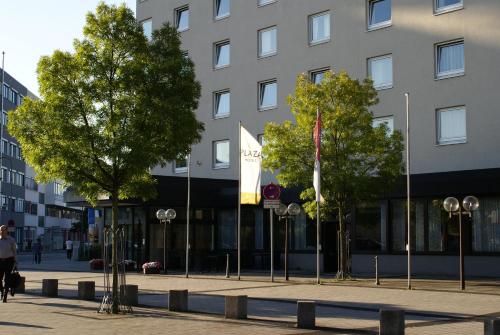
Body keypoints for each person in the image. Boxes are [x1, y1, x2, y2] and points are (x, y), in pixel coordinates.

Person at [0, 225, 16, 302]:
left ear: (7, 231)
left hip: (9, 261)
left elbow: (14, 251)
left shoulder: (11, 240)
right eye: (0, 230)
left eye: (3, 230)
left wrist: (16, 262)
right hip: (0, 261)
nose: (1, 232)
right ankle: (1, 290)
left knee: (7, 279)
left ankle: (5, 296)